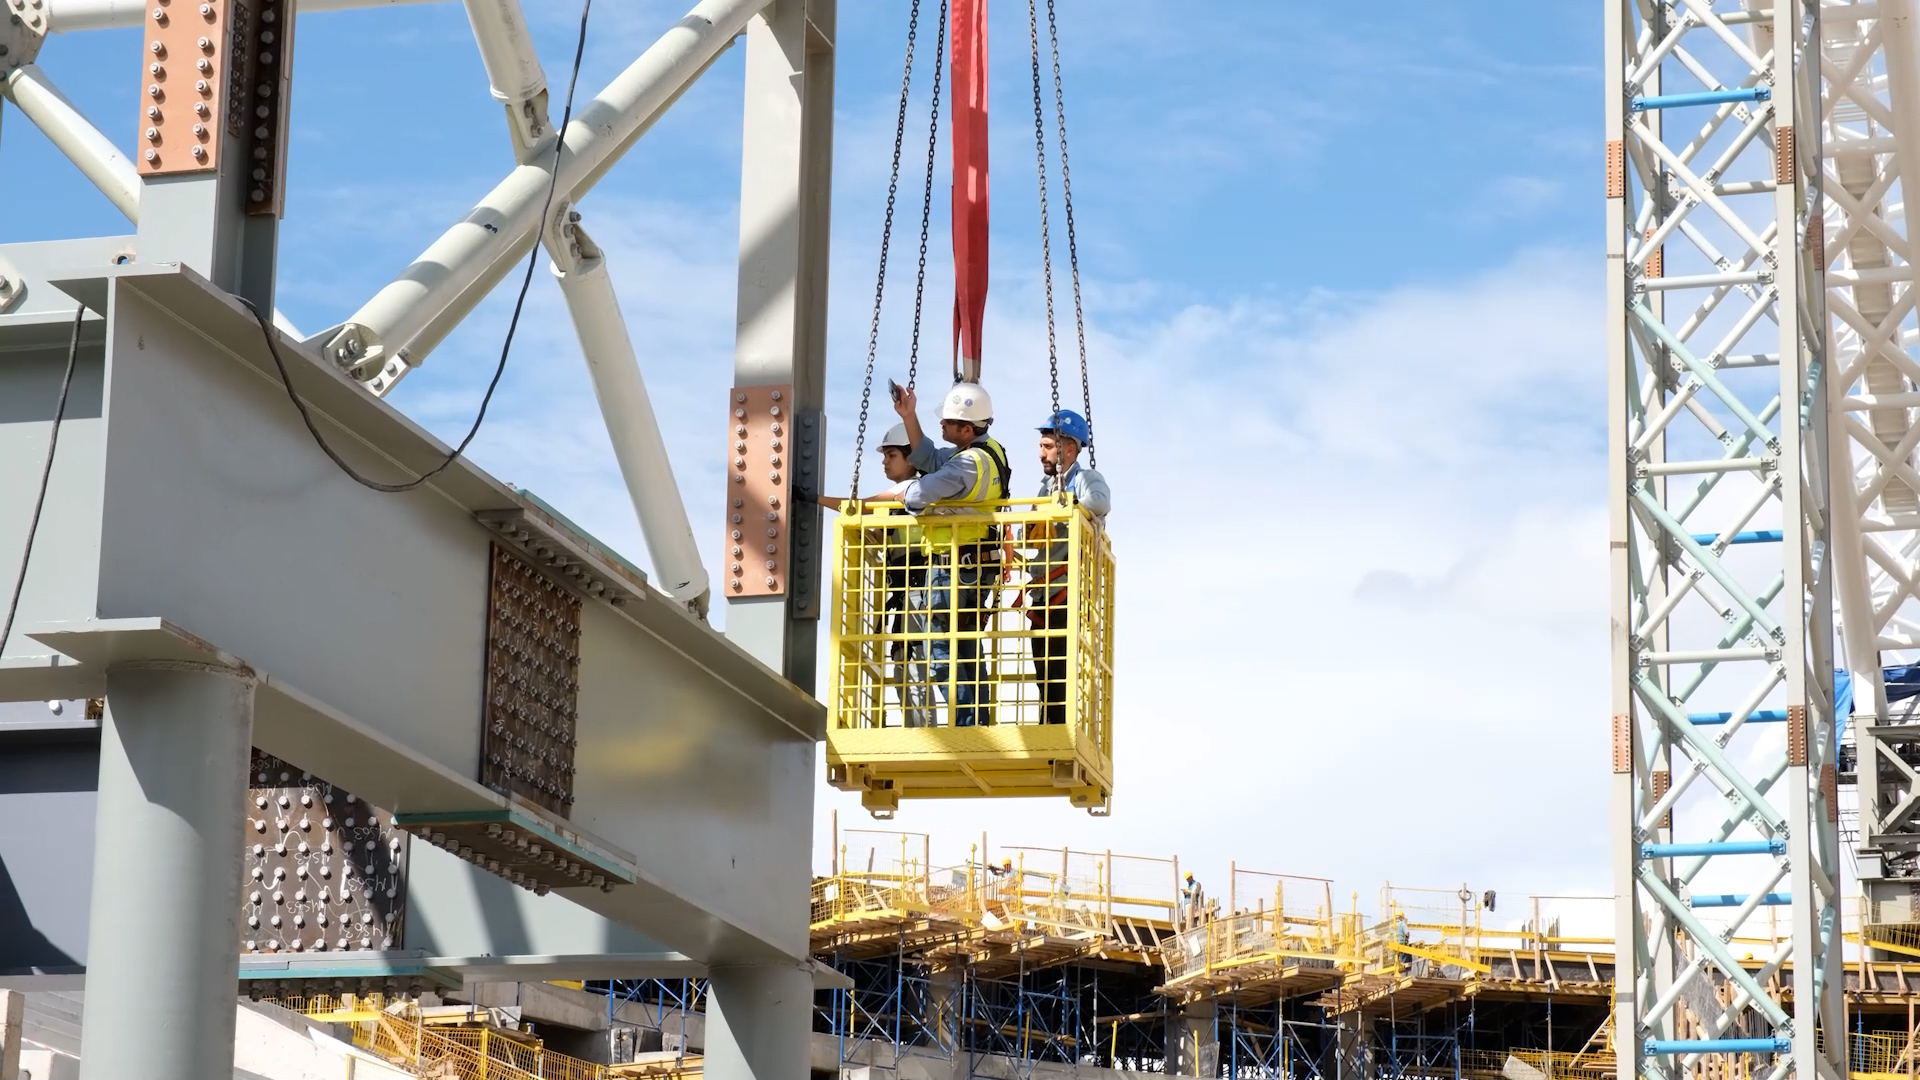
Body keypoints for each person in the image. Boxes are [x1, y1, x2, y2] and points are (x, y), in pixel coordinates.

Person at [892, 381, 1012, 727]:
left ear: (966, 428)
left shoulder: (966, 465)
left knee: (941, 648)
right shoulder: (987, 452)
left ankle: (965, 724)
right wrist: (908, 415)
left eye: (947, 422)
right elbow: (929, 458)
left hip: (955, 566)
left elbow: (920, 493)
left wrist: (900, 492)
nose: (941, 425)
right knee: (968, 646)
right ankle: (975, 721)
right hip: (973, 564)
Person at [820, 426, 932, 726]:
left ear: (911, 459)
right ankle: (919, 730)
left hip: (916, 590)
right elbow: (880, 531)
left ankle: (921, 734)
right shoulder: (904, 504)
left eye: (892, 455)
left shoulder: (910, 490)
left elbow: (856, 508)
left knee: (912, 662)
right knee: (905, 661)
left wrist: (812, 499)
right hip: (908, 591)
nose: (885, 461)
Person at [1027, 409, 1110, 724]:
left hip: (1066, 587)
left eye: (1048, 446)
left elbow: (1100, 502)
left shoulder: (1084, 479)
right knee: (1043, 668)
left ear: (1069, 448)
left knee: (1058, 664)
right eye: (1041, 447)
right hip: (1044, 591)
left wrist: (1068, 505)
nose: (1041, 454)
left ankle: (1057, 727)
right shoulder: (1044, 487)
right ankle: (1048, 724)